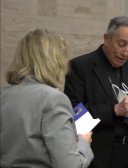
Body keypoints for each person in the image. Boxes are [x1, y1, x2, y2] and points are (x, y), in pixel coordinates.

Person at [0, 29, 93, 168]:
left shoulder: (3, 95)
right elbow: (69, 165)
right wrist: (84, 142)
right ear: (54, 61)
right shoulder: (54, 100)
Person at [64, 16, 128, 168]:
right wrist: (114, 109)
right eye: (122, 44)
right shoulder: (80, 67)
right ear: (107, 38)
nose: (126, 52)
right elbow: (75, 112)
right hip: (101, 154)